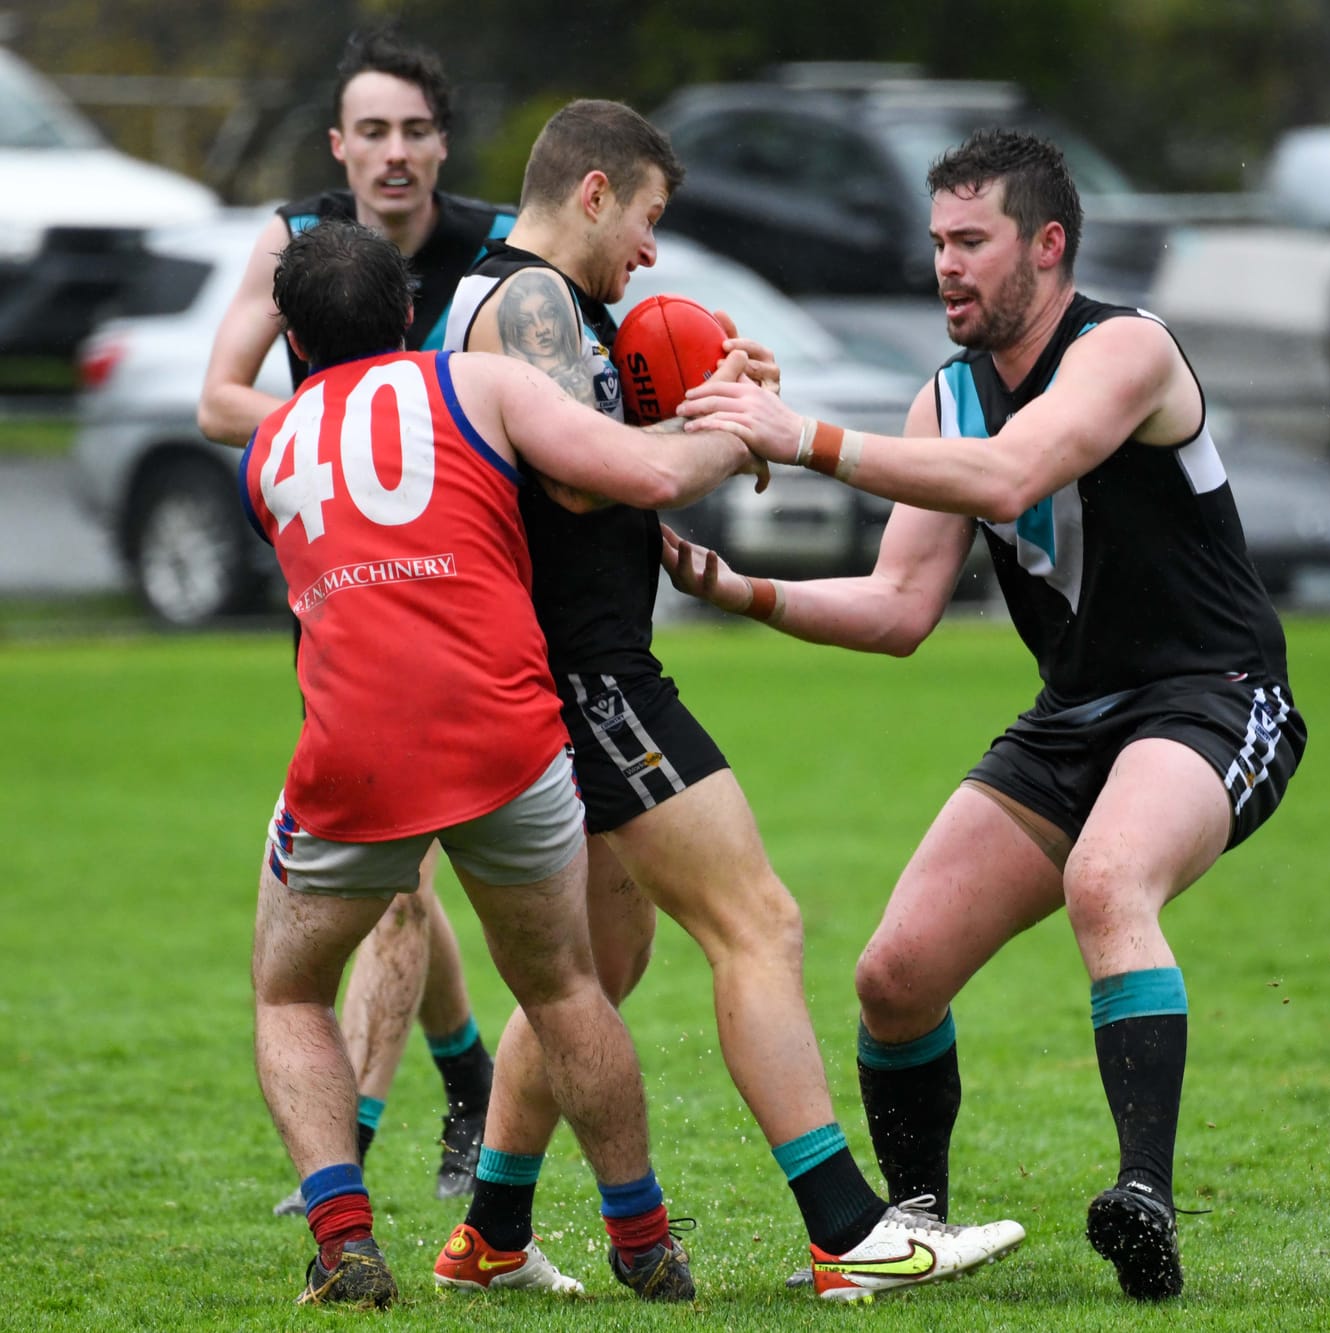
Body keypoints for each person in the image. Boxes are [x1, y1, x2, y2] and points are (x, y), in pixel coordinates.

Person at [670, 127, 1309, 1302]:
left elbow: (1014, 474)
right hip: (1075, 713)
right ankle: (910, 1227)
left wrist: (801, 437)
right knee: (894, 976)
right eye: (935, 243)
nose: (944, 266)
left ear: (1047, 245)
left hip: (1213, 695)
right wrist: (729, 586)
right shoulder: (943, 396)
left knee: (1107, 881)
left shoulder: (1126, 350)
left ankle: (1144, 1200)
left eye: (971, 241)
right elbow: (898, 605)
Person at [429, 99, 1026, 1303]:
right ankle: (846, 1233)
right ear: (592, 192)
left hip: (561, 670)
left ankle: (488, 1235)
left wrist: (703, 396)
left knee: (598, 957)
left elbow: (611, 446)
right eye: (647, 219)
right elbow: (595, 483)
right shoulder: (531, 296)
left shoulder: (537, 302)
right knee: (760, 920)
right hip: (590, 674)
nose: (651, 252)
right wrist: (733, 427)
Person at [245, 218, 764, 1305]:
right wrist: (745, 424)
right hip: (506, 731)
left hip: (357, 750)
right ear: (405, 314)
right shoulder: (475, 381)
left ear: (290, 337)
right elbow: (642, 472)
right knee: (566, 985)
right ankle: (644, 1240)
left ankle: (344, 1244)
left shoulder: (269, 446)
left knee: (290, 989)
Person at [197, 27, 515, 1209]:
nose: (393, 153)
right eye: (369, 131)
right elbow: (220, 395)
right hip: (344, 581)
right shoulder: (295, 240)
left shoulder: (492, 249)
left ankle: (366, 1133)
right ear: (339, 146)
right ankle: (468, 1076)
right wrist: (362, 433)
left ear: (442, 145)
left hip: (467, 586)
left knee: (400, 867)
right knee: (400, 867)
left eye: (414, 131)